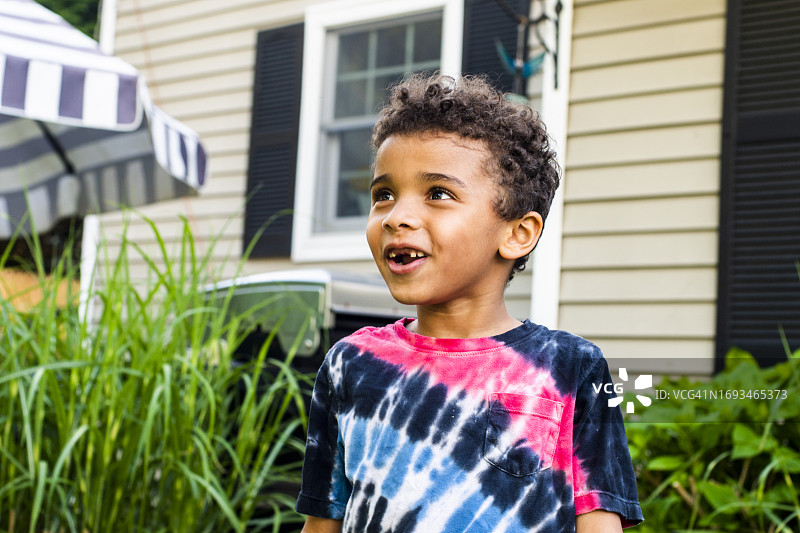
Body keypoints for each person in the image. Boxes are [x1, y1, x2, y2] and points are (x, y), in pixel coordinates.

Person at [295, 73, 643, 532]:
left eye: (438, 193)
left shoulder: (571, 368)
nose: (397, 217)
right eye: (384, 195)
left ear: (517, 234)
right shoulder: (351, 364)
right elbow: (322, 525)